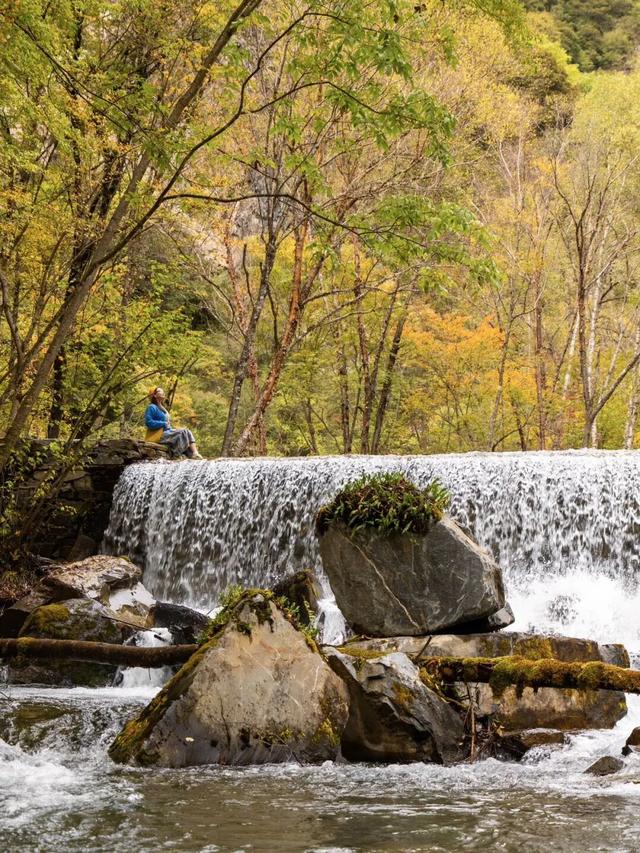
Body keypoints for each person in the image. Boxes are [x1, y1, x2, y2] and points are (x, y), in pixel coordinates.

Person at [145, 386, 203, 459]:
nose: (163, 392)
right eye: (160, 391)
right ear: (154, 395)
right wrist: (163, 423)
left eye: (163, 391)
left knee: (187, 431)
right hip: (158, 435)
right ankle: (176, 455)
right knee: (182, 432)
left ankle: (195, 453)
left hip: (167, 432)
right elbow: (148, 422)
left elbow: (168, 425)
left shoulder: (162, 408)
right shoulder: (152, 407)